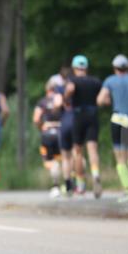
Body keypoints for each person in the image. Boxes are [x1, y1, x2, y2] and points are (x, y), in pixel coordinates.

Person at [98, 54, 128, 202]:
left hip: (117, 118)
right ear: (127, 67)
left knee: (120, 158)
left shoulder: (110, 81)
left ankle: (127, 190)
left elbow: (100, 100)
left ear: (115, 68)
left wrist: (107, 101)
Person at [64, 54, 103, 198]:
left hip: (79, 116)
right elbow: (102, 97)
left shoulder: (73, 80)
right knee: (93, 148)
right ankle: (96, 174)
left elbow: (70, 89)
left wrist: (66, 99)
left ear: (75, 68)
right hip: (93, 115)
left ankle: (80, 183)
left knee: (78, 151)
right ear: (86, 68)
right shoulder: (95, 81)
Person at [46, 64, 75, 194]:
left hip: (65, 122)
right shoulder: (76, 85)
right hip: (78, 120)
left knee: (65, 156)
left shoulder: (59, 89)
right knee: (78, 153)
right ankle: (80, 182)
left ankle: (68, 183)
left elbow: (57, 104)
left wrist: (55, 109)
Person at [33, 82, 64, 197]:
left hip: (47, 132)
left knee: (50, 161)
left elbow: (36, 119)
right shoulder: (61, 101)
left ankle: (56, 185)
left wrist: (41, 127)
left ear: (46, 90)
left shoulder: (42, 102)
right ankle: (68, 183)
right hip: (61, 131)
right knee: (63, 158)